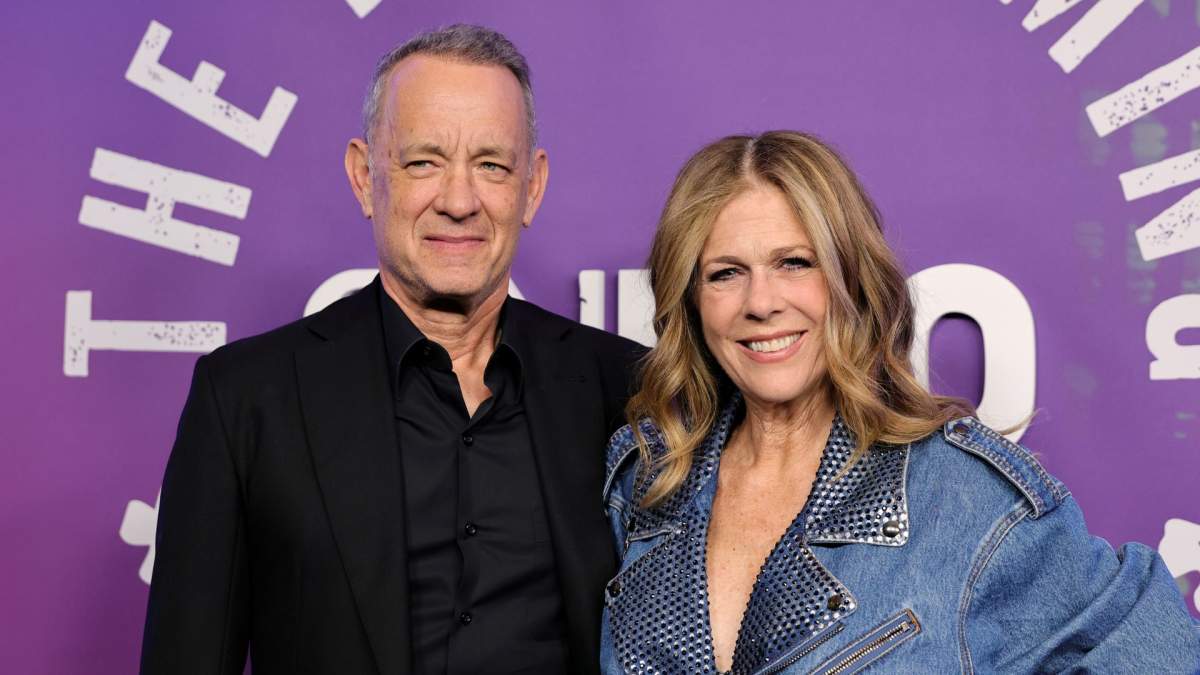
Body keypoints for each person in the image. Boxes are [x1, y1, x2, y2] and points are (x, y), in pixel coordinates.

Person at [140, 25, 642, 675]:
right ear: (363, 175)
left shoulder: (628, 389)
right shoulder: (246, 397)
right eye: (423, 162)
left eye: (491, 165)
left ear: (532, 186)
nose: (458, 201)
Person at [600, 131, 1200, 674]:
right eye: (726, 273)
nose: (761, 302)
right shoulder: (646, 477)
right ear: (691, 300)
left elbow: (1156, 650)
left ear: (853, 281)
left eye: (795, 263)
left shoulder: (962, 494)